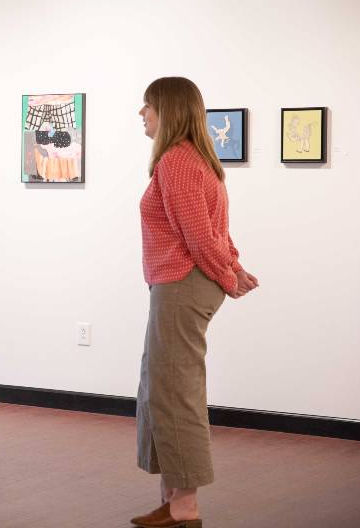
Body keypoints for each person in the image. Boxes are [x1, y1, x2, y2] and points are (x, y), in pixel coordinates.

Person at [131, 77, 259, 528]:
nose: (141, 115)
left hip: (183, 284)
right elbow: (214, 230)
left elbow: (200, 236)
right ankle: (172, 499)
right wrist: (235, 268)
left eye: (147, 107)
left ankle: (184, 507)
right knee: (159, 387)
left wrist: (228, 273)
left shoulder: (177, 161)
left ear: (168, 110)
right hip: (180, 283)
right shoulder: (194, 159)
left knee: (173, 393)